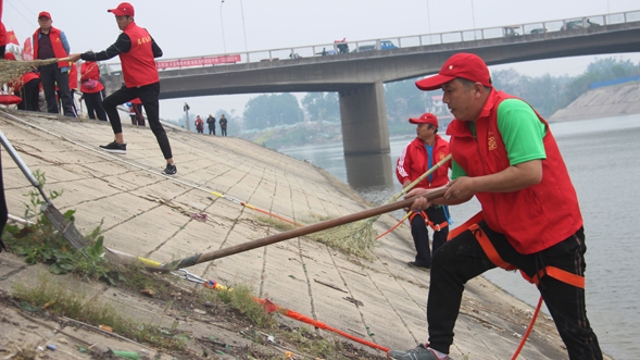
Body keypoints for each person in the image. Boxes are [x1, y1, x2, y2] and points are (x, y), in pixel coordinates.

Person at [388, 53, 602, 360]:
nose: (445, 99)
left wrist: (472, 184)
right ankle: (436, 351)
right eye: (443, 92)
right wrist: (430, 194)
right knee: (447, 260)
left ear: (477, 89)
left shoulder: (511, 111)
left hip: (553, 234)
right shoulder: (461, 131)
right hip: (506, 230)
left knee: (574, 330)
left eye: (450, 91)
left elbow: (530, 173)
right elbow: (459, 190)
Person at [69, 2, 176, 175]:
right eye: (116, 18)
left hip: (147, 85)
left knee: (155, 124)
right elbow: (158, 52)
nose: (118, 21)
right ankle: (119, 142)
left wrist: (81, 55)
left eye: (121, 18)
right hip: (137, 84)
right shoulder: (144, 32)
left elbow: (105, 54)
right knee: (108, 103)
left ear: (130, 18)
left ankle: (170, 163)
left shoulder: (126, 37)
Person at [395, 113, 450, 270]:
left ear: (432, 129)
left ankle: (438, 262)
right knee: (418, 224)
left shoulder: (446, 148)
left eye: (421, 126)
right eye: (417, 126)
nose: (417, 129)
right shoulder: (411, 147)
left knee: (442, 229)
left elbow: (460, 169)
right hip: (417, 195)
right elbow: (401, 167)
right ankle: (423, 259)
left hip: (438, 195)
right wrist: (406, 181)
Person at [32, 11, 75, 117]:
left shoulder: (59, 33)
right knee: (49, 91)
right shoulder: (36, 35)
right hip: (44, 66)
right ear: (38, 21)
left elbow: (67, 48)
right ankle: (53, 112)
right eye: (42, 20)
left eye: (46, 20)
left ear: (51, 21)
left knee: (64, 90)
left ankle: (69, 113)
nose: (44, 22)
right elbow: (36, 49)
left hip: (59, 65)